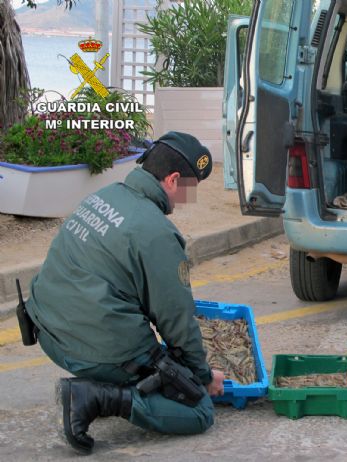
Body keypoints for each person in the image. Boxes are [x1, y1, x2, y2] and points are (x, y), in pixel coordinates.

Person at [23, 131, 225, 454]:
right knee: (199, 410)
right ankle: (95, 397)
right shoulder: (157, 233)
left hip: (47, 332)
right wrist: (202, 376)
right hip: (86, 345)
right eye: (189, 190)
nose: (185, 200)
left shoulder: (104, 196)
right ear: (173, 181)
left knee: (151, 355)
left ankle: (102, 385)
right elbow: (177, 322)